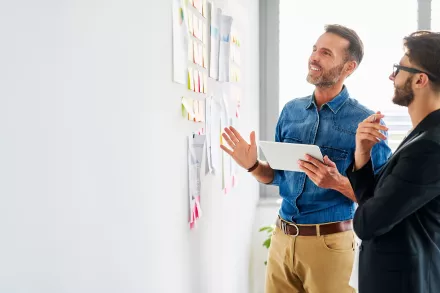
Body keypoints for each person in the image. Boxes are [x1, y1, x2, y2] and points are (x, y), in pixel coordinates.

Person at [221, 24, 392, 293]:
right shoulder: (291, 111)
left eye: (325, 53)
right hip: (282, 237)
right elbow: (276, 177)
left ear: (349, 68)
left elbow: (382, 201)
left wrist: (336, 182)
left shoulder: (365, 123)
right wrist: (252, 165)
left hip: (329, 243)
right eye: (314, 49)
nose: (314, 57)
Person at [346, 31, 440, 293]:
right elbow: (376, 203)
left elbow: (367, 223)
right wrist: (362, 157)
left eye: (399, 69)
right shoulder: (421, 135)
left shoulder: (428, 148)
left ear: (420, 79)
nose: (392, 76)